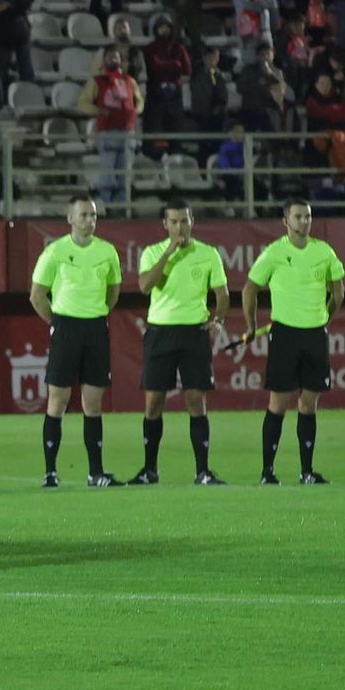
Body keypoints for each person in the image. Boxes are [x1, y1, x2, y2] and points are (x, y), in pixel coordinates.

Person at [242, 199, 345, 485]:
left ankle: (307, 472)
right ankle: (267, 471)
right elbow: (249, 289)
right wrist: (251, 325)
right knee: (278, 402)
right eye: (298, 216)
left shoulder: (324, 252)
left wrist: (324, 318)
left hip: (314, 334)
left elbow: (338, 294)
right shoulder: (274, 253)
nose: (304, 221)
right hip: (285, 334)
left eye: (308, 216)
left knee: (309, 404)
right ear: (286, 221)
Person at [129, 200, 230, 487]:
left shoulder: (208, 254)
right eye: (173, 222)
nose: (179, 227)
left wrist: (219, 319)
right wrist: (169, 254)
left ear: (192, 221)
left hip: (194, 332)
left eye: (184, 221)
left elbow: (221, 294)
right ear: (165, 225)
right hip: (160, 331)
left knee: (196, 400)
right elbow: (145, 286)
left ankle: (203, 471)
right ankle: (150, 470)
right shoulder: (152, 253)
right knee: (153, 402)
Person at [30, 195, 125, 488]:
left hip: (95, 328)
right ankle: (50, 472)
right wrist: (58, 324)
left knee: (93, 404)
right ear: (70, 219)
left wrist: (95, 315)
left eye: (93, 215)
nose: (89, 221)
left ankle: (95, 473)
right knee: (57, 401)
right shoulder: (55, 252)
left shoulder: (108, 252)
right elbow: (37, 295)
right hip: (66, 328)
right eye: (83, 215)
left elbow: (113, 291)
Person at [77, 45, 144, 203]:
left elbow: (139, 101)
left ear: (120, 60)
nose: (113, 59)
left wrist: (135, 111)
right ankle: (106, 205)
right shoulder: (97, 81)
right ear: (104, 60)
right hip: (107, 132)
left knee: (125, 172)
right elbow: (83, 103)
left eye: (116, 56)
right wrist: (99, 111)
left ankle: (122, 206)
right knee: (107, 171)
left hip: (128, 131)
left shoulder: (129, 81)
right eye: (110, 56)